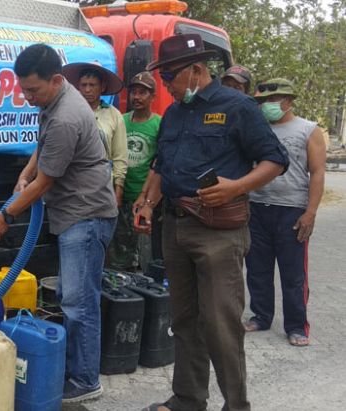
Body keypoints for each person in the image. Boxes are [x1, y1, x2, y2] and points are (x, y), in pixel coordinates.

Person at [135, 34, 289, 411]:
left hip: (218, 231)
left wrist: (236, 186)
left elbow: (275, 159)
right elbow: (162, 163)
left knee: (220, 326)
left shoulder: (237, 107)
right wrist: (147, 202)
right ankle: (188, 398)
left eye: (170, 77)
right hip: (175, 226)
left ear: (197, 70)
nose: (166, 86)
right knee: (185, 320)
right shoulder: (173, 112)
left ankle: (236, 405)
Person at [0, 44, 116, 403]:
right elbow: (43, 152)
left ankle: (86, 380)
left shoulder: (66, 115)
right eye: (23, 89)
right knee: (74, 298)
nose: (27, 98)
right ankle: (75, 370)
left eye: (34, 91)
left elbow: (45, 183)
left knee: (78, 302)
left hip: (86, 216)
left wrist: (5, 215)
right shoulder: (55, 102)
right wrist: (24, 175)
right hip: (74, 214)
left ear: (56, 80)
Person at [244, 78, 326, 347]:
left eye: (272, 100)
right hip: (257, 207)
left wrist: (310, 212)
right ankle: (261, 315)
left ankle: (296, 325)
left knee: (293, 274)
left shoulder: (308, 130)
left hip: (291, 211)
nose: (266, 106)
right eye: (263, 101)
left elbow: (317, 173)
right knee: (257, 269)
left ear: (288, 101)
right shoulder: (258, 129)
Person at [62, 61, 127, 207]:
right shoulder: (69, 113)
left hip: (103, 188)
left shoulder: (113, 115)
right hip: (73, 188)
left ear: (102, 87)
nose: (87, 90)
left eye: (92, 85)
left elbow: (119, 157)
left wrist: (118, 191)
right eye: (84, 85)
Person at [114, 71, 160, 271]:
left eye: (143, 93)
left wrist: (147, 196)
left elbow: (159, 164)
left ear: (152, 97)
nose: (137, 97)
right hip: (120, 196)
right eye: (133, 92)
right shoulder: (121, 120)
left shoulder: (159, 124)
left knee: (146, 257)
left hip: (146, 201)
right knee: (120, 255)